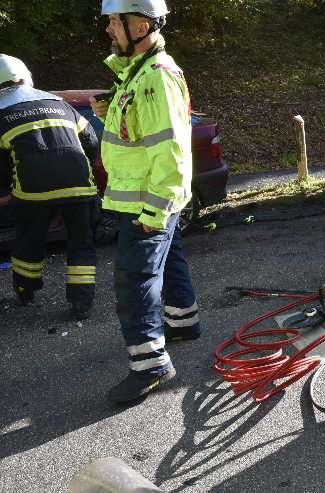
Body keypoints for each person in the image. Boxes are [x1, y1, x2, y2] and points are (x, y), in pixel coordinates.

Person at [90, 0, 200, 405]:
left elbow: (170, 150)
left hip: (146, 202)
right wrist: (108, 112)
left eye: (114, 22)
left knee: (135, 281)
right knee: (168, 260)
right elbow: (136, 135)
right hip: (145, 199)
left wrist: (156, 210)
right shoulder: (137, 75)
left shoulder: (154, 76)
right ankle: (184, 322)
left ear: (140, 26)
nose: (108, 29)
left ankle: (149, 365)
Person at [0, 54, 99, 318]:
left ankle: (25, 289)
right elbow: (90, 139)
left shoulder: (1, 114)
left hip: (32, 191)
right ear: (22, 76)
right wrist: (77, 171)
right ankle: (81, 303)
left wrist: (5, 190)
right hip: (78, 185)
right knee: (81, 242)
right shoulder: (60, 104)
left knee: (29, 239)